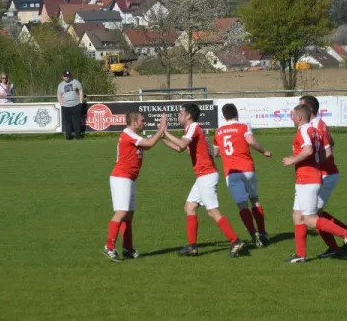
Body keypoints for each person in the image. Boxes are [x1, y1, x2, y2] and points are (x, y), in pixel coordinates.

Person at [162, 103, 245, 257]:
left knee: (212, 211)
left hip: (206, 174)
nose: (179, 116)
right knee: (189, 207)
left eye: (181, 113)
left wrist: (165, 132)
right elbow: (180, 148)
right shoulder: (191, 129)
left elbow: (181, 144)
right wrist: (163, 139)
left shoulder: (193, 127)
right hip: (203, 175)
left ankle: (235, 241)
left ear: (188, 116)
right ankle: (192, 246)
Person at [282, 104, 347, 263]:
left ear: (299, 117)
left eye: (293, 115)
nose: (292, 118)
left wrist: (292, 160)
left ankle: (345, 233)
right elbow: (323, 153)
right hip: (308, 177)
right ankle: (301, 254)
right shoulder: (315, 130)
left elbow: (308, 150)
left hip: (307, 179)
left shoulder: (304, 130)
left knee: (309, 218)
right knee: (297, 215)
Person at [104, 112, 168, 262]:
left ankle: (127, 248)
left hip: (129, 178)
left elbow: (147, 145)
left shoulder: (133, 135)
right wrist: (161, 129)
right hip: (121, 177)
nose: (144, 123)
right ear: (133, 122)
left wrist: (159, 134)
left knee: (129, 215)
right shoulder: (128, 134)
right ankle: (109, 247)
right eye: (142, 121)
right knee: (121, 212)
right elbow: (149, 143)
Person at [299, 95, 347, 258]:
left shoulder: (316, 126)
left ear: (309, 109)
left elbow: (328, 151)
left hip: (325, 175)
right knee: (314, 213)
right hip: (323, 174)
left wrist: (312, 163)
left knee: (311, 214)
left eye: (301, 107)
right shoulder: (317, 125)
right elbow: (331, 142)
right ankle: (335, 247)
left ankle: (345, 232)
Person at [213, 103, 272, 248]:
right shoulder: (243, 126)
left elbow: (215, 153)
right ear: (236, 114)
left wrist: (227, 153)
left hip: (231, 172)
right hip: (247, 169)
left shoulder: (218, 132)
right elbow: (251, 141)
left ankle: (253, 234)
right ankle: (263, 232)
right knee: (255, 199)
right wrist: (264, 151)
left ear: (224, 116)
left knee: (241, 205)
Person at [57, 70, 83, 140]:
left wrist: (80, 101)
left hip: (76, 105)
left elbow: (80, 90)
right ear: (62, 77)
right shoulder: (60, 85)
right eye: (65, 76)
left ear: (70, 76)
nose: (67, 77)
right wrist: (61, 104)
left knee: (76, 121)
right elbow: (59, 95)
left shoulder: (75, 82)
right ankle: (68, 136)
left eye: (68, 76)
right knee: (67, 122)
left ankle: (78, 136)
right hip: (66, 106)